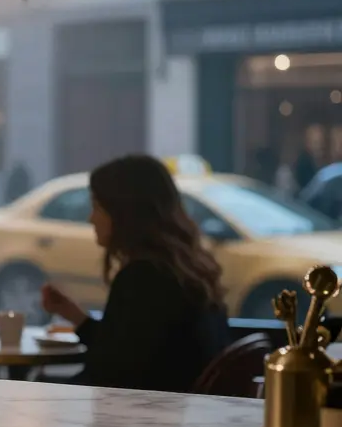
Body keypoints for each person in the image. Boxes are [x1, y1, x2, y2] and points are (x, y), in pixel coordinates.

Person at [41, 155, 229, 393]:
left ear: (124, 213)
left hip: (140, 417)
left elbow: (109, 374)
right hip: (172, 414)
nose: (91, 218)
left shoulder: (144, 278)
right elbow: (124, 350)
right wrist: (74, 315)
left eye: (97, 207)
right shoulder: (181, 270)